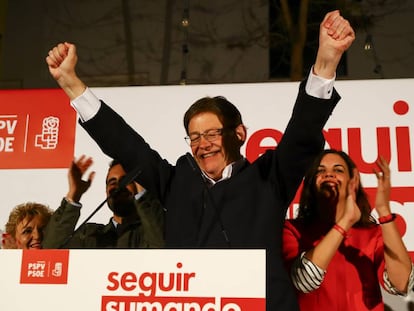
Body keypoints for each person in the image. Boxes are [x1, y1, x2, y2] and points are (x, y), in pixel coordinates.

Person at [46, 10, 354, 311]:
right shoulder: (179, 181)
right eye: (194, 137)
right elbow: (126, 145)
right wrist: (71, 83)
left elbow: (303, 130)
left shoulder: (268, 178)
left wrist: (327, 60)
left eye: (212, 133)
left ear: (240, 133)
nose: (202, 144)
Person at [282, 149, 414, 310]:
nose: (329, 174)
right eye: (320, 170)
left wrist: (384, 211)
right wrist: (345, 221)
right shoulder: (293, 230)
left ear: (354, 180)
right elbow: (304, 280)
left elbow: (401, 284)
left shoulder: (372, 233)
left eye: (338, 170)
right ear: (311, 182)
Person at [42, 155, 165, 249]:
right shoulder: (88, 234)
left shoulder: (154, 231)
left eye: (125, 180)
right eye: (112, 182)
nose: (118, 187)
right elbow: (50, 252)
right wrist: (74, 194)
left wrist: (144, 197)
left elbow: (165, 249)